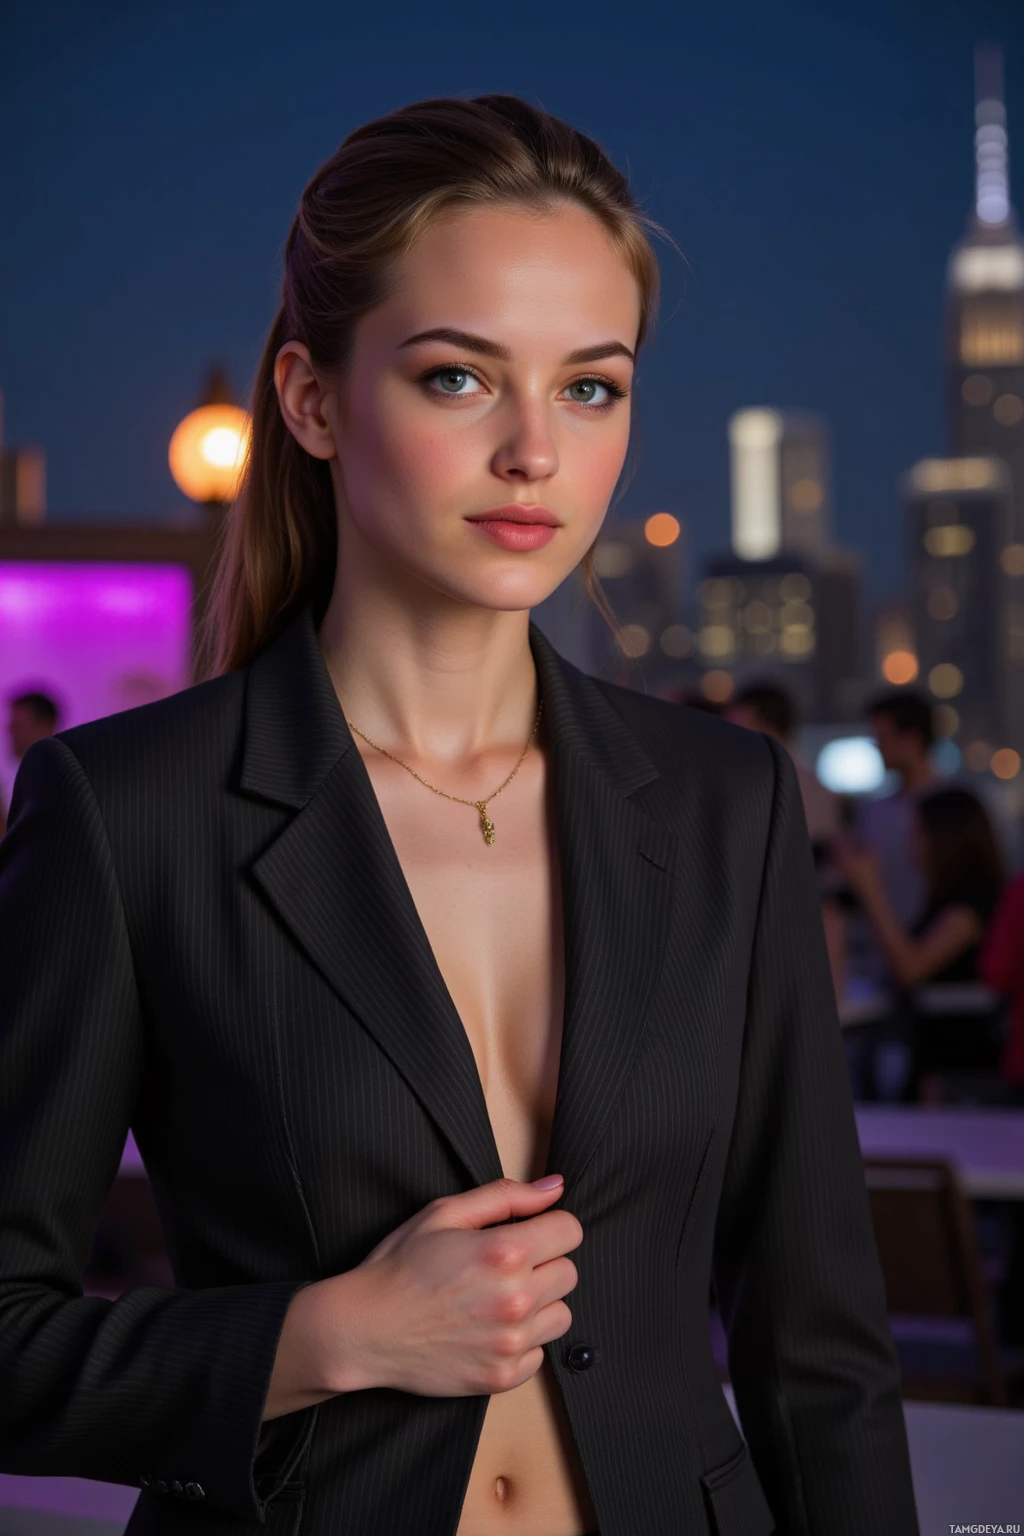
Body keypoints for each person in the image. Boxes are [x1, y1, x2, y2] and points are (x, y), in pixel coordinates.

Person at [0, 95, 918, 1536]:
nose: (536, 454)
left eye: (592, 387)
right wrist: (325, 1340)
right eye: (457, 379)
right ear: (310, 399)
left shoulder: (724, 803)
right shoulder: (128, 815)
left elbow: (822, 1352)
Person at [834, 786, 1006, 1102]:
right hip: (937, 1058)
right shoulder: (946, 898)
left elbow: (911, 968)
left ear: (947, 840)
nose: (909, 844)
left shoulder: (971, 904)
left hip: (956, 1066)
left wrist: (871, 889)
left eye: (918, 834)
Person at [724, 682, 847, 1000]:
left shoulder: (782, 783)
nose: (726, 731)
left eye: (737, 721)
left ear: (764, 725)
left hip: (788, 938)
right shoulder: (810, 784)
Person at [0, 690, 60, 837]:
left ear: (45, 726)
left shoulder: (63, 780)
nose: (9, 732)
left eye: (17, 725)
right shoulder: (13, 778)